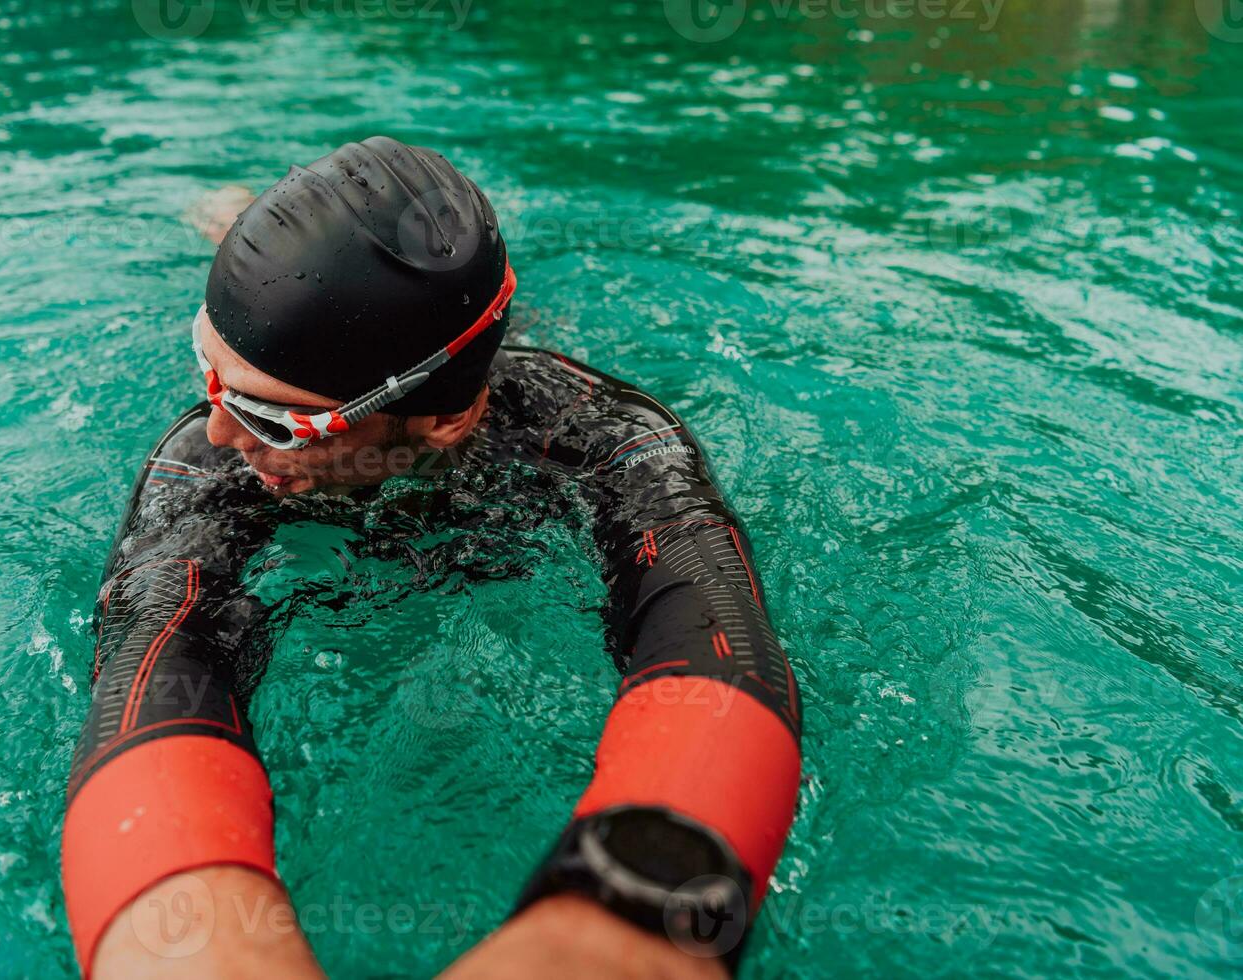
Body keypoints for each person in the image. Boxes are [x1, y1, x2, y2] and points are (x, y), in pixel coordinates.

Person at [61, 137, 802, 980]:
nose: (221, 435)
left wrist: (621, 928)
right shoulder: (203, 466)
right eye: (207, 371)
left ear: (442, 421)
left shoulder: (596, 436)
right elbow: (156, 652)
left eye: (274, 420)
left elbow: (708, 636)